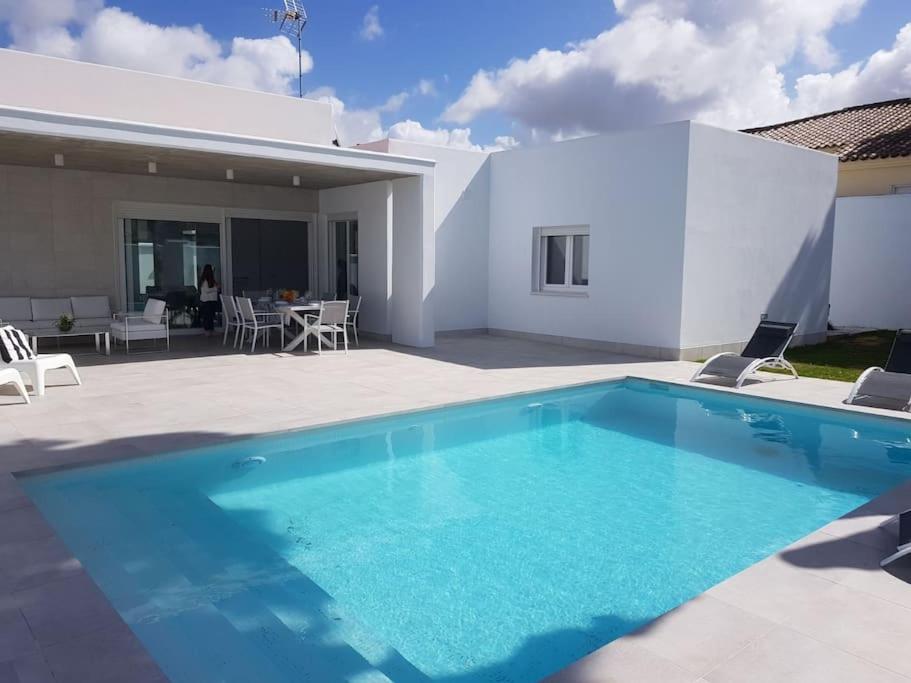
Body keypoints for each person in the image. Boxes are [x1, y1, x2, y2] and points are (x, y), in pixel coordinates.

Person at [198, 264, 219, 336]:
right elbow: (206, 290)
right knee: (207, 316)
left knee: (210, 316)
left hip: (210, 300)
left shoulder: (208, 279)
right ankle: (207, 330)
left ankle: (211, 330)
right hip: (207, 301)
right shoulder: (205, 280)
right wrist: (215, 288)